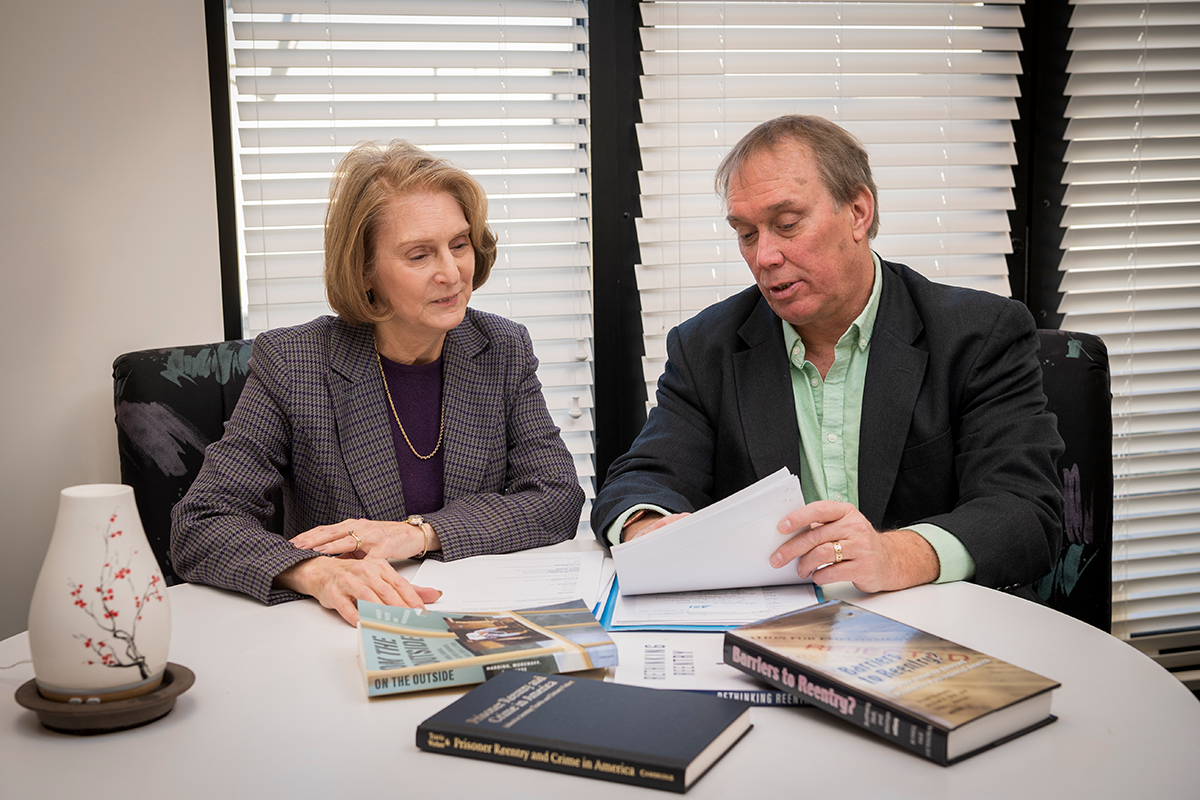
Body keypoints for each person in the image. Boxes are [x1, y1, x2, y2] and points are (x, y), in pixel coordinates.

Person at [592, 115, 1063, 596]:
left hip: (936, 620)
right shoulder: (706, 347)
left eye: (787, 224)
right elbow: (643, 479)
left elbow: (1025, 511)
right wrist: (650, 528)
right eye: (747, 234)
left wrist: (897, 554)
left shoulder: (978, 334)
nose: (765, 256)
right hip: (778, 628)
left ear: (858, 212)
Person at [172, 140, 584, 625]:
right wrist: (315, 571)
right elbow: (199, 524)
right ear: (365, 270)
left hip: (479, 617)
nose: (451, 274)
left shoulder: (502, 347)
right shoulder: (294, 362)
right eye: (419, 256)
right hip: (347, 626)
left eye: (459, 245)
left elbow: (557, 496)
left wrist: (419, 533)